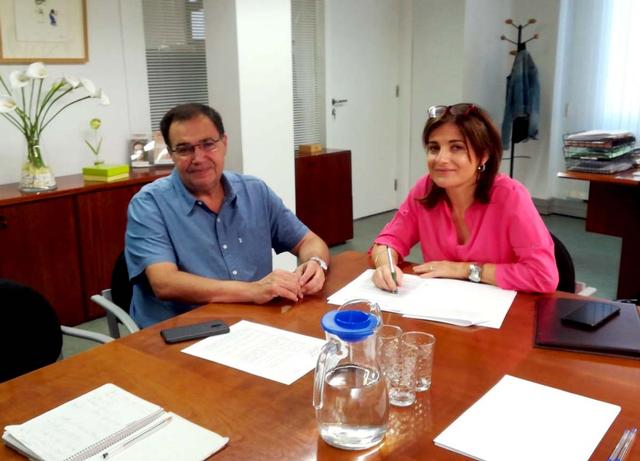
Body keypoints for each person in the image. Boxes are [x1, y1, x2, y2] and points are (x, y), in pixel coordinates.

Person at [126, 103, 330, 327]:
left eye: (208, 144)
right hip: (180, 329)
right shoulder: (149, 204)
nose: (198, 158)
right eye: (184, 149)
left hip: (253, 322)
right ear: (171, 153)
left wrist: (315, 263)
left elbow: (308, 241)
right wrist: (253, 291)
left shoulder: (254, 191)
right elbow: (164, 282)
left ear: (224, 143)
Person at [371, 103, 558, 293]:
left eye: (456, 147)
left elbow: (542, 275)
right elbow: (389, 240)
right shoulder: (426, 189)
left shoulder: (511, 196)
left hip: (503, 306)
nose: (441, 159)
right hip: (441, 303)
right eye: (434, 148)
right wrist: (385, 266)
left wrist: (462, 270)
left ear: (483, 155)